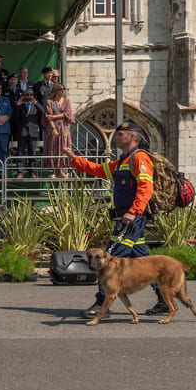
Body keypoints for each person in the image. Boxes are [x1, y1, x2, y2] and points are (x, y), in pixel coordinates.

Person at [64, 121, 167, 319]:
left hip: (131, 218)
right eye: (117, 133)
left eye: (121, 134)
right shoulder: (123, 161)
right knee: (143, 260)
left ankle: (103, 303)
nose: (117, 137)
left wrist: (134, 211)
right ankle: (163, 298)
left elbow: (146, 188)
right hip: (126, 217)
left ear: (132, 137)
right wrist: (75, 160)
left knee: (109, 260)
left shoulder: (140, 158)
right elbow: (99, 170)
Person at [43, 83, 75, 178]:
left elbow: (67, 114)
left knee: (63, 148)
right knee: (53, 148)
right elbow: (48, 116)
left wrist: (54, 116)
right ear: (55, 91)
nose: (62, 91)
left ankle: (61, 171)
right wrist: (53, 128)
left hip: (64, 128)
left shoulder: (66, 102)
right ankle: (53, 171)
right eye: (60, 89)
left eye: (63, 89)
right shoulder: (50, 102)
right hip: (53, 128)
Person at [12, 88, 43, 178]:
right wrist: (18, 104)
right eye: (27, 95)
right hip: (22, 132)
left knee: (32, 153)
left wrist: (35, 102)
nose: (29, 96)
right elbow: (15, 117)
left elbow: (43, 112)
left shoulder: (35, 105)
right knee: (20, 153)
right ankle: (20, 172)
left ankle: (32, 172)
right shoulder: (20, 105)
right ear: (23, 96)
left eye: (31, 94)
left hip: (33, 132)